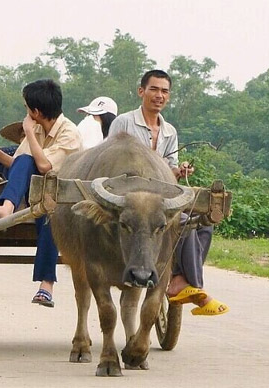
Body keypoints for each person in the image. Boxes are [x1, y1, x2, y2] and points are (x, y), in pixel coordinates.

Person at [108, 69, 229, 316]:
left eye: (164, 91)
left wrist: (179, 169)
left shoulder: (169, 131)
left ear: (169, 96)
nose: (159, 95)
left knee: (202, 223)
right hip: (131, 198)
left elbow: (170, 166)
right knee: (181, 222)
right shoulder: (124, 122)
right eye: (154, 89)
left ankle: (185, 280)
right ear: (141, 91)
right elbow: (110, 158)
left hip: (160, 197)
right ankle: (185, 285)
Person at [0, 79, 82, 307]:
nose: (26, 114)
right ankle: (6, 208)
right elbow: (21, 164)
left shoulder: (69, 133)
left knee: (50, 216)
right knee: (25, 163)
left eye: (26, 108)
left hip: (63, 198)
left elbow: (44, 166)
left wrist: (29, 133)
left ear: (36, 112)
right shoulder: (40, 127)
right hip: (37, 194)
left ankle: (46, 285)